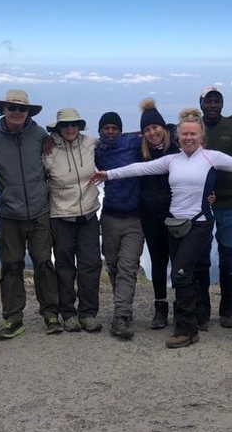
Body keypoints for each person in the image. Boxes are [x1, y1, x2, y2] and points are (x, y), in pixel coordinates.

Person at [91, 108, 232, 348]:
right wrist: (108, 175)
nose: (189, 138)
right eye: (184, 134)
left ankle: (187, 329)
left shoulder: (211, 157)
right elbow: (138, 169)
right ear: (178, 137)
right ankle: (191, 319)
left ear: (201, 136)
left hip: (199, 223)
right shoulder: (172, 160)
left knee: (181, 273)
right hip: (175, 225)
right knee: (183, 273)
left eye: (193, 134)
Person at [0, 89, 61, 339]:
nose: (17, 113)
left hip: (40, 211)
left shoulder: (39, 134)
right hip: (9, 214)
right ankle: (14, 318)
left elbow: (55, 156)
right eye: (12, 108)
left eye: (22, 109)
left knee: (43, 263)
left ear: (28, 112)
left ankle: (50, 312)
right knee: (11, 265)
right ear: (3, 110)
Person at [43, 107, 103, 333]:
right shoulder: (47, 150)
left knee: (91, 264)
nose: (70, 128)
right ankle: (68, 313)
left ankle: (88, 313)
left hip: (88, 214)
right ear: (58, 128)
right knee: (65, 265)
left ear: (80, 126)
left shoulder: (90, 143)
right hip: (61, 217)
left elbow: (116, 138)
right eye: (65, 125)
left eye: (74, 124)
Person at [198, 86, 232, 329]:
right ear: (201, 104)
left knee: (227, 256)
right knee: (201, 257)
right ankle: (203, 308)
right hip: (199, 203)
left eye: (216, 101)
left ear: (222, 104)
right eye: (208, 101)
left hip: (229, 201)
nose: (212, 105)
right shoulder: (193, 127)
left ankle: (227, 307)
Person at [94, 111, 145, 339]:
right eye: (107, 128)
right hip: (110, 216)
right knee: (113, 265)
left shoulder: (132, 143)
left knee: (128, 265)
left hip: (136, 217)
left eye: (115, 128)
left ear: (121, 130)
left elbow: (156, 132)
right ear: (100, 130)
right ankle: (122, 305)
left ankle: (121, 315)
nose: (111, 132)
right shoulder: (96, 150)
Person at [137, 98, 179, 329]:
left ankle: (182, 305)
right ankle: (160, 306)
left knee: (179, 260)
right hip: (150, 215)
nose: (152, 133)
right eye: (147, 129)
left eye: (155, 127)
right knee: (158, 261)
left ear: (163, 128)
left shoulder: (179, 149)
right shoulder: (141, 153)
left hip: (176, 215)